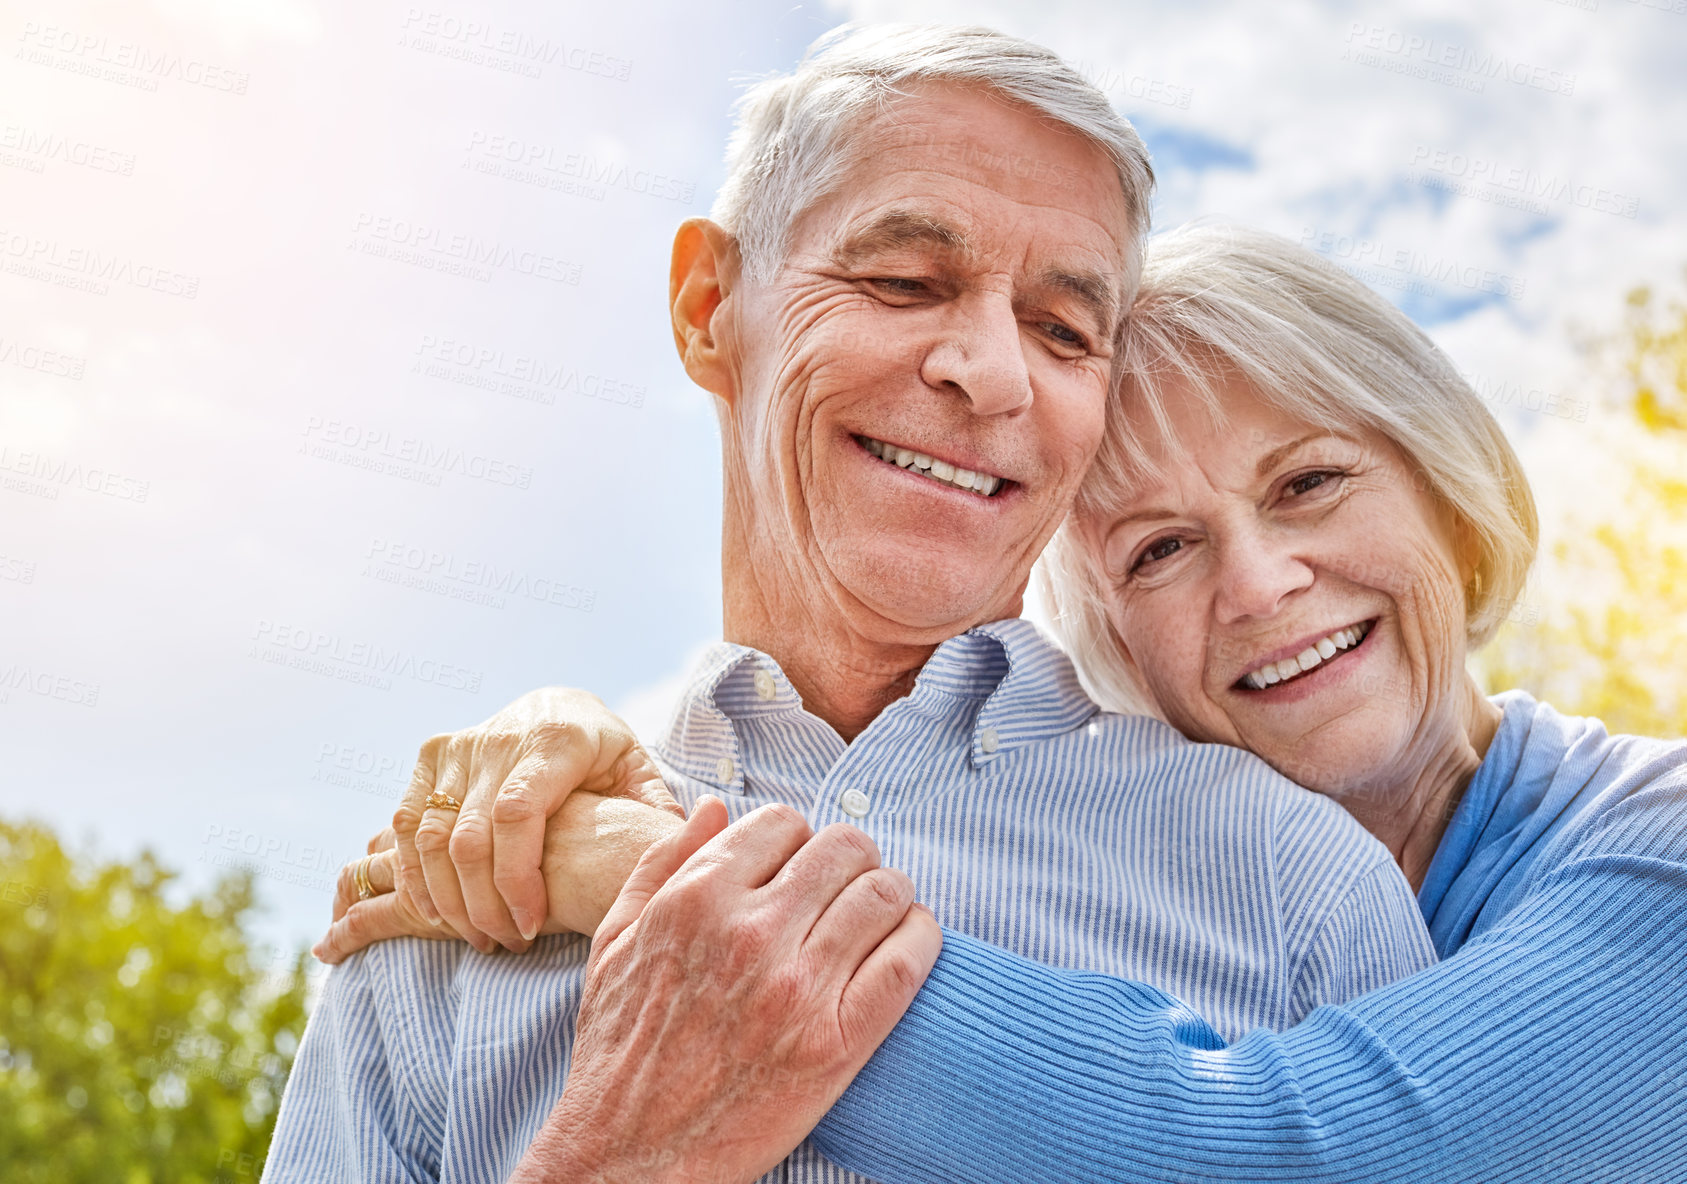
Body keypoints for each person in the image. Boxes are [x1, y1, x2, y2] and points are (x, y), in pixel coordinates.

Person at [264, 25, 1443, 1184]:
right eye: (903, 279)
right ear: (706, 305)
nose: (988, 370)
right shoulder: (461, 892)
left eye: (1064, 330)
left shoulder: (1291, 883)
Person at [331, 222, 1687, 1181]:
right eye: (1156, 550)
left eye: (1309, 483)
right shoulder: (1161, 880)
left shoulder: (1657, 840)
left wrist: (650, 872)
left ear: (1446, 488)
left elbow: (1269, 1152)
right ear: (1103, 641)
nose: (1263, 583)